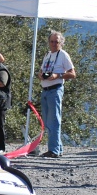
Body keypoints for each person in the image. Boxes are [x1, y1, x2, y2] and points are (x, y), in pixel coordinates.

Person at [36, 30, 76, 158]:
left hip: (55, 89)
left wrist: (57, 75)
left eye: (56, 42)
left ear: (61, 43)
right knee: (48, 121)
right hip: (46, 89)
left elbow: (72, 74)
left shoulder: (63, 55)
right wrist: (41, 75)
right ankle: (57, 148)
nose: (54, 44)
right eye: (52, 41)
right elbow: (42, 70)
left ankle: (53, 150)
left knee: (54, 120)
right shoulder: (47, 55)